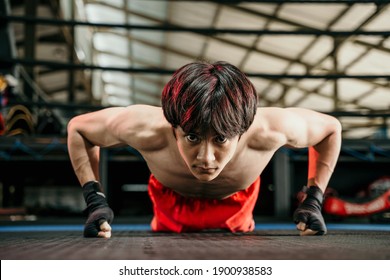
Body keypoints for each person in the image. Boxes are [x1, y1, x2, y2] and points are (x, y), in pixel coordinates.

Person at [67, 60, 342, 238]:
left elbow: (330, 129)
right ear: (173, 126)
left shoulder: (271, 127)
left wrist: (313, 199)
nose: (206, 158)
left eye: (221, 139)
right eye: (192, 138)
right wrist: (95, 199)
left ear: (243, 131)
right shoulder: (144, 127)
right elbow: (79, 128)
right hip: (169, 203)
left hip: (237, 204)